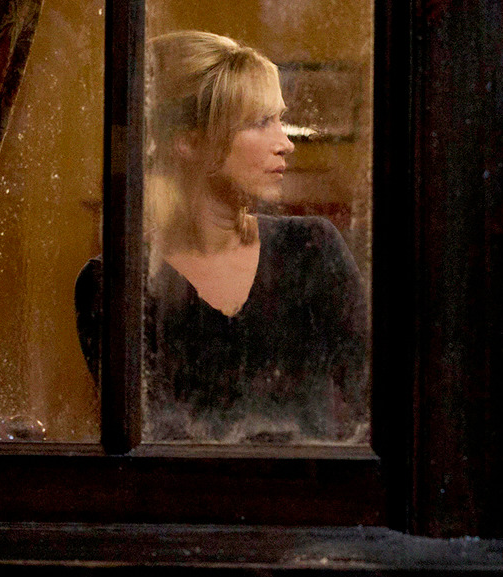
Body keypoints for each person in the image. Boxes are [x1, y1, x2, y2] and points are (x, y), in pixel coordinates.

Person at [76, 31, 368, 443]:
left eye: (279, 120)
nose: (286, 144)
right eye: (261, 123)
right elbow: (147, 441)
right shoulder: (114, 283)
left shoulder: (311, 248)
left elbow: (374, 398)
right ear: (190, 142)